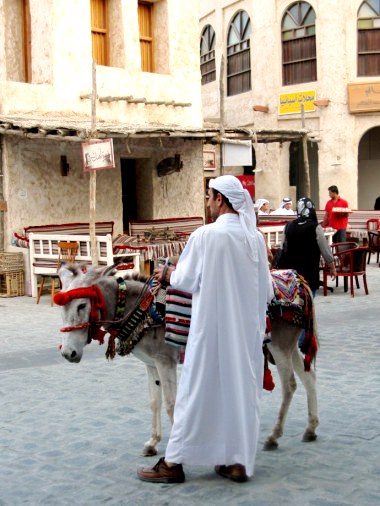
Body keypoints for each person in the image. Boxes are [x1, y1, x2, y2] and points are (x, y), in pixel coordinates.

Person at [137, 175, 273, 484]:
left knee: (195, 391)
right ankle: (236, 461)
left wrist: (167, 273)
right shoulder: (254, 239)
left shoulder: (206, 236)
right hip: (245, 337)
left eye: (210, 197)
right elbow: (267, 290)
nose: (208, 202)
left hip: (210, 333)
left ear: (221, 200)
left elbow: (185, 280)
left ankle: (173, 462)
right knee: (239, 394)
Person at [277, 197, 336, 295]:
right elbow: (325, 250)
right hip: (309, 273)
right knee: (308, 302)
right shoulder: (315, 227)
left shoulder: (288, 226)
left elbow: (282, 248)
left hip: (291, 274)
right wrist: (332, 266)